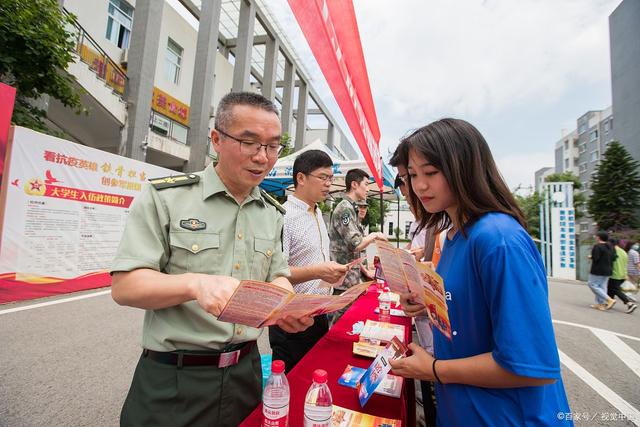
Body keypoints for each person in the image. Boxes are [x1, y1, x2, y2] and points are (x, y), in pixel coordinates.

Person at [110, 92, 313, 427]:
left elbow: (276, 273)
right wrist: (195, 283)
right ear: (217, 139)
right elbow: (125, 285)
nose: (262, 157)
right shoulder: (167, 198)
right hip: (174, 380)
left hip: (246, 373)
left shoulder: (271, 213)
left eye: (273, 146)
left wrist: (285, 306)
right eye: (249, 142)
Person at [389, 118, 573, 426]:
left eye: (431, 173)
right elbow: (471, 310)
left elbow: (528, 365)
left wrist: (433, 370)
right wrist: (429, 302)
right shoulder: (453, 235)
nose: (420, 186)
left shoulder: (499, 240)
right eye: (412, 175)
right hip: (466, 410)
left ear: (464, 167)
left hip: (506, 416)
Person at [268, 150, 348, 372]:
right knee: (291, 383)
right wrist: (318, 271)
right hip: (292, 319)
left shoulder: (318, 213)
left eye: (331, 179)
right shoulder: (284, 216)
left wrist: (329, 273)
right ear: (301, 178)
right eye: (323, 177)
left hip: (320, 312)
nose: (328, 184)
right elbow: (275, 272)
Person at [328, 168, 386, 323]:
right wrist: (375, 235)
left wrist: (364, 270)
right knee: (339, 324)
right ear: (354, 184)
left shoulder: (351, 208)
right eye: (366, 184)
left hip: (350, 279)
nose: (368, 189)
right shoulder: (345, 209)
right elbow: (356, 244)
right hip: (343, 281)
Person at [587, 231, 617, 311]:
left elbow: (595, 258)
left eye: (596, 236)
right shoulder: (611, 246)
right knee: (602, 286)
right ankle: (600, 304)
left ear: (599, 237)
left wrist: (590, 257)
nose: (595, 237)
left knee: (592, 284)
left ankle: (609, 300)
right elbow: (614, 258)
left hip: (598, 270)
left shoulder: (597, 246)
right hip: (608, 269)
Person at [608, 238, 637, 314]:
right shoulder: (624, 252)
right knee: (611, 288)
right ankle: (609, 302)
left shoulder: (613, 251)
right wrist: (625, 274)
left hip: (615, 274)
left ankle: (629, 304)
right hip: (623, 275)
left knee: (615, 290)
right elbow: (625, 264)